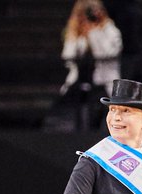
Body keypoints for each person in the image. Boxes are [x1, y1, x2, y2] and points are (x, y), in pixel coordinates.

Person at [58, 0, 124, 131]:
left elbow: (108, 52)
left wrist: (95, 32)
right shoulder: (76, 31)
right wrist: (78, 34)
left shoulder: (110, 29)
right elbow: (67, 56)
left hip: (106, 83)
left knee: (109, 122)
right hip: (81, 83)